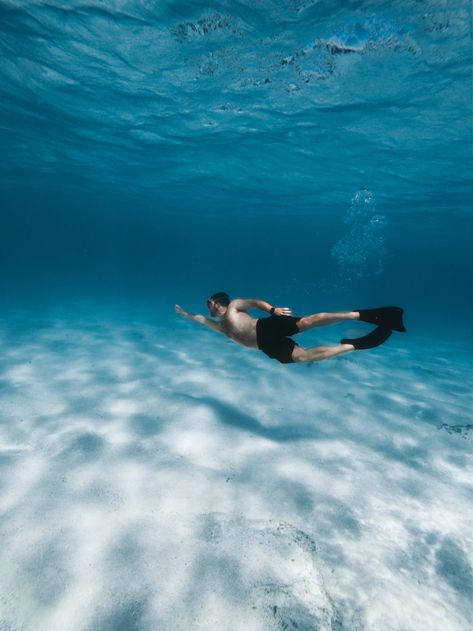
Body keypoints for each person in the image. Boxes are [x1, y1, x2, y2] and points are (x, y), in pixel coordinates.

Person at [175, 292, 406, 364]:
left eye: (209, 304)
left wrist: (272, 309)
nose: (207, 308)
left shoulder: (234, 306)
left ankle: (363, 315)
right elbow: (202, 321)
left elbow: (253, 302)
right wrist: (186, 314)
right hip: (265, 345)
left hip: (266, 326)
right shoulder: (221, 327)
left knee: (309, 322)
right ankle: (355, 345)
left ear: (217, 302)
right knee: (303, 357)